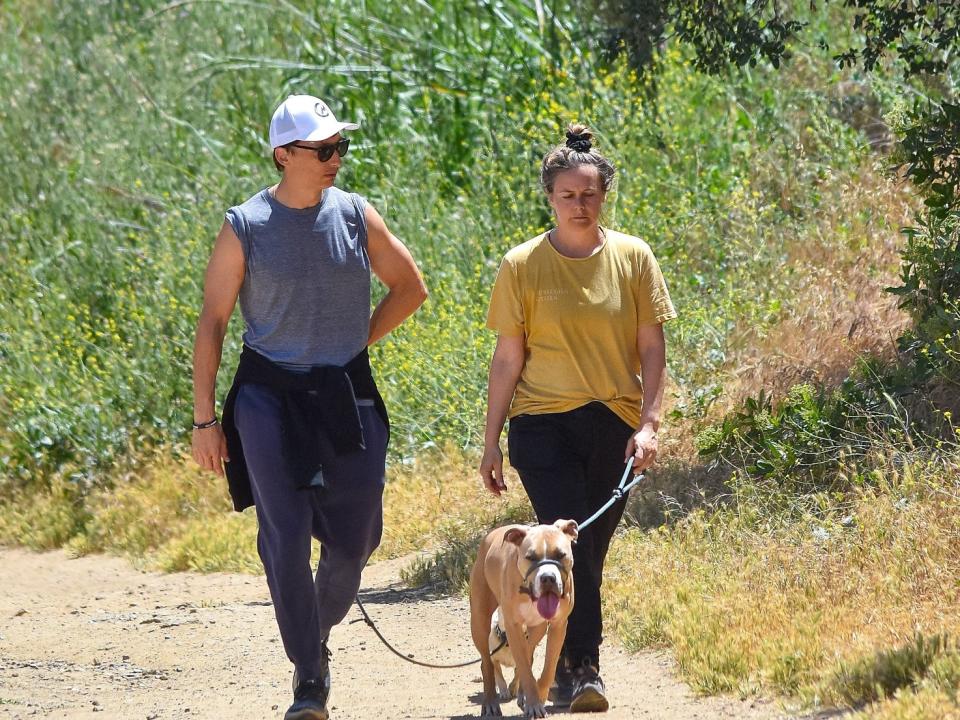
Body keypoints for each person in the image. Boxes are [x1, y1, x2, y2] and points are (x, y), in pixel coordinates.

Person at [191, 94, 427, 720]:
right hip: (267, 399)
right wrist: (205, 420)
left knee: (356, 540)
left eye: (339, 147)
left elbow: (411, 287)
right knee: (286, 536)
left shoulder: (355, 215)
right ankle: (308, 676)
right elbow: (213, 321)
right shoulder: (245, 225)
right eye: (324, 150)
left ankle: (313, 639)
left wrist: (353, 344)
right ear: (284, 155)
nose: (337, 159)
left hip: (345, 393)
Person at [480, 123, 676, 712]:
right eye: (568, 195)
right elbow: (508, 357)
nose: (580, 205)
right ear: (549, 197)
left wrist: (650, 424)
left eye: (590, 194)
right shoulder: (522, 265)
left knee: (585, 552)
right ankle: (583, 667)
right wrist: (490, 442)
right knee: (575, 544)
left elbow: (652, 346)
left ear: (604, 195)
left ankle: (553, 651)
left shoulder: (634, 258)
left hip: (613, 426)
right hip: (540, 426)